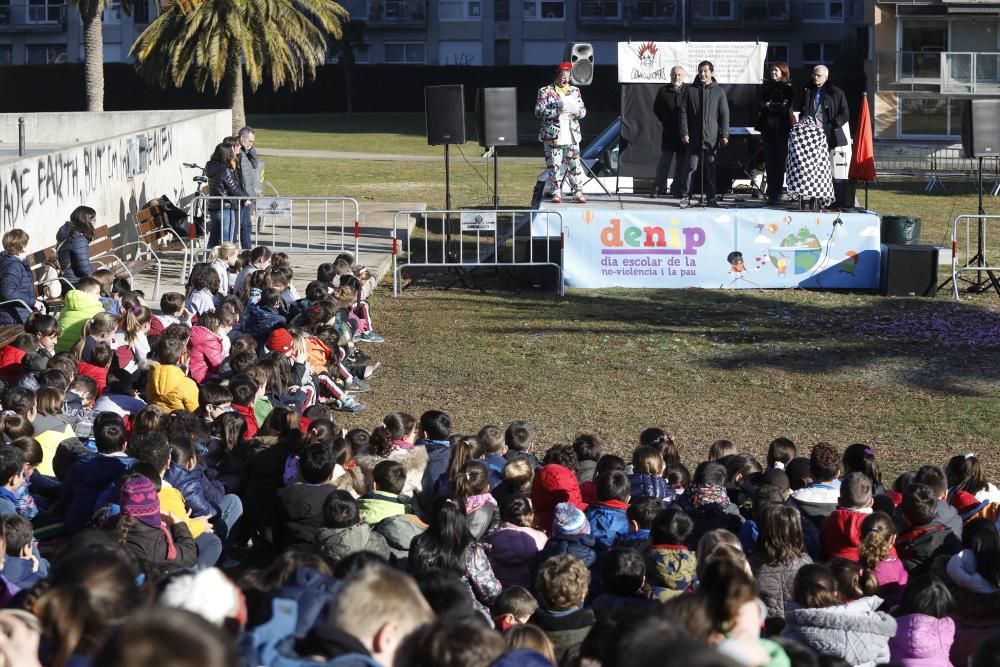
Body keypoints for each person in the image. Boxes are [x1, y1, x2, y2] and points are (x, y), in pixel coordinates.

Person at [535, 61, 588, 205]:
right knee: (554, 164)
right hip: (553, 134)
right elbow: (538, 110)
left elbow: (583, 110)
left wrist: (578, 112)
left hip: (571, 133)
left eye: (568, 77)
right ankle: (556, 192)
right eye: (563, 77)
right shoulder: (545, 91)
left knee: (574, 164)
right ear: (557, 76)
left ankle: (577, 192)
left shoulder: (575, 90)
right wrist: (555, 112)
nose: (566, 80)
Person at [679, 60, 729, 208]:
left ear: (712, 73)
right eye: (700, 71)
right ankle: (685, 197)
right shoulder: (690, 90)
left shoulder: (719, 91)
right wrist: (684, 132)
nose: (703, 73)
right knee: (691, 167)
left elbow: (724, 114)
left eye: (706, 71)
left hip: (711, 138)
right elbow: (683, 113)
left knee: (710, 169)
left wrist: (725, 134)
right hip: (694, 137)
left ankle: (711, 198)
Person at [756, 62, 794, 205]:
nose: (773, 73)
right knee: (769, 161)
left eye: (776, 70)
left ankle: (777, 192)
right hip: (767, 128)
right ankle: (771, 192)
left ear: (783, 72)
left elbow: (784, 108)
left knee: (779, 161)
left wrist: (769, 105)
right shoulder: (765, 87)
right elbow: (760, 104)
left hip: (781, 129)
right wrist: (770, 105)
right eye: (772, 70)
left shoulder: (788, 88)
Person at [651, 65, 688, 199]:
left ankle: (676, 189)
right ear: (670, 75)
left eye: (679, 75)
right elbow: (656, 109)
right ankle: (658, 188)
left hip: (684, 134)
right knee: (664, 162)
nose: (676, 77)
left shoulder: (689, 90)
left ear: (683, 76)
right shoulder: (663, 91)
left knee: (681, 163)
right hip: (668, 133)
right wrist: (666, 121)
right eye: (674, 74)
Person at [205, 142, 249, 249]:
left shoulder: (210, 166)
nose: (234, 152)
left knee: (214, 239)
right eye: (232, 150)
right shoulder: (224, 169)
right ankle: (226, 264)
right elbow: (234, 188)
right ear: (227, 154)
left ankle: (208, 262)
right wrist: (245, 199)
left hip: (214, 207)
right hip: (225, 207)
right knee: (227, 241)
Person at [0, 229, 40, 325]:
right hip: (14, 317)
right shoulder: (13, 265)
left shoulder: (12, 261)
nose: (28, 246)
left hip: (18, 311)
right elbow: (8, 292)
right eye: (26, 243)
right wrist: (33, 302)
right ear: (21, 246)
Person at [56, 206, 97, 287]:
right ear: (86, 221)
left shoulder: (68, 232)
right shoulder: (79, 239)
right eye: (94, 220)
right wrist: (97, 274)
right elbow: (84, 269)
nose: (95, 223)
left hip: (65, 279)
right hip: (74, 282)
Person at [236, 126, 262, 250]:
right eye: (249, 141)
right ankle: (246, 251)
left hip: (248, 195)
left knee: (247, 225)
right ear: (242, 138)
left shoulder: (246, 151)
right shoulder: (235, 151)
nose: (251, 144)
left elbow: (255, 164)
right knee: (243, 225)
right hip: (242, 196)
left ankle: (248, 250)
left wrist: (251, 149)